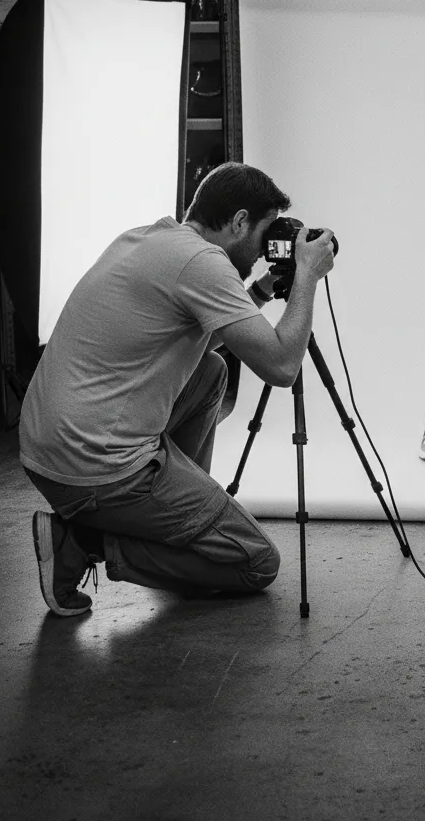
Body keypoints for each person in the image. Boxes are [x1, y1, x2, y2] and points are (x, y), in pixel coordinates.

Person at [21, 162, 336, 616]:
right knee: (256, 562)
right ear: (239, 221)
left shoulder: (154, 239)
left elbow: (211, 334)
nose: (267, 249)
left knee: (210, 372)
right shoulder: (204, 265)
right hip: (94, 467)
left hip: (50, 447)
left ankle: (175, 516)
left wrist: (267, 287)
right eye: (266, 232)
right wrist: (306, 277)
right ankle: (79, 542)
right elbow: (283, 366)